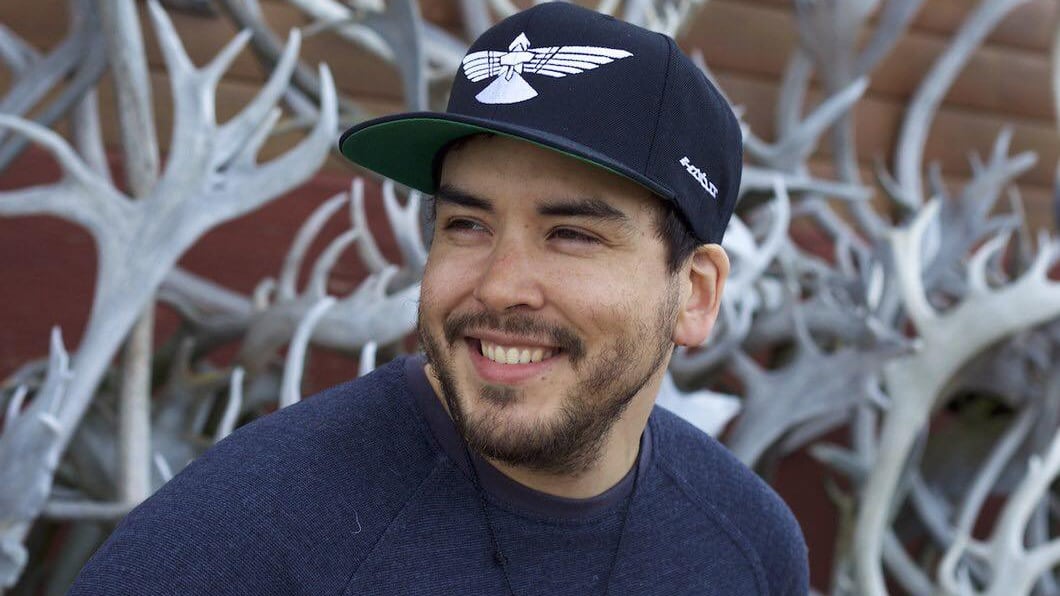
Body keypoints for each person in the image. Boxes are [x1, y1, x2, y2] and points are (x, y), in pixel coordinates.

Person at [70, 3, 808, 594]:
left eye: (572, 234)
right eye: (467, 224)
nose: (497, 284)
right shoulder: (238, 540)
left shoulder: (748, 545)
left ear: (697, 294)